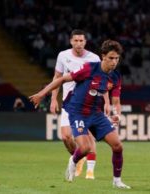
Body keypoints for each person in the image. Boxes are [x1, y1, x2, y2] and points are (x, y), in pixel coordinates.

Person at [30, 39, 130, 189]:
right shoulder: (89, 68)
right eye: (111, 58)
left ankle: (117, 181)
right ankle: (73, 161)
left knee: (118, 146)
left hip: (96, 114)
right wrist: (42, 94)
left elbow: (116, 101)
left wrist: (117, 114)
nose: (114, 62)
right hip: (78, 113)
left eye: (117, 58)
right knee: (84, 149)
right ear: (103, 56)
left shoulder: (115, 77)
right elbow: (63, 78)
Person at [50, 29, 106, 179]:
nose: (79, 43)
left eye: (81, 41)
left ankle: (90, 171)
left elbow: (102, 81)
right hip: (69, 104)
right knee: (66, 137)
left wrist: (104, 102)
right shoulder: (63, 56)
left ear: (85, 42)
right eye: (76, 40)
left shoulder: (94, 59)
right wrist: (53, 99)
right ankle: (77, 158)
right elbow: (57, 77)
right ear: (71, 41)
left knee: (88, 136)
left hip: (87, 104)